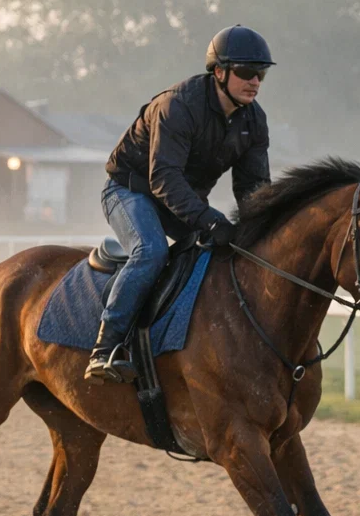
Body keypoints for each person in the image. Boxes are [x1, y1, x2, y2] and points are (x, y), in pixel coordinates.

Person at [88, 25, 275, 383]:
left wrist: (260, 233)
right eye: (247, 72)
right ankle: (106, 346)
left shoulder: (254, 119)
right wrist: (209, 219)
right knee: (152, 251)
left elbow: (254, 189)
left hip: (176, 199)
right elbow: (163, 179)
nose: (255, 82)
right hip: (130, 190)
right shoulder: (177, 106)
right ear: (219, 72)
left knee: (221, 253)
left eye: (261, 73)